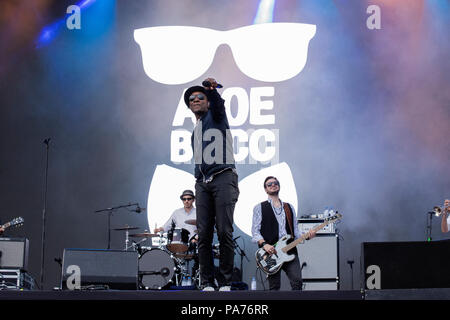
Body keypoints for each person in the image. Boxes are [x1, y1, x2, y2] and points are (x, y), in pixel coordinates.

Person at [184, 78, 239, 291]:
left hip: (223, 177)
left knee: (224, 230)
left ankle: (225, 281)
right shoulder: (194, 132)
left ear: (207, 103)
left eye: (200, 97)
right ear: (189, 106)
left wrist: (212, 91)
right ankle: (207, 281)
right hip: (202, 183)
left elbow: (219, 106)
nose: (196, 100)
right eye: (192, 99)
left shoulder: (215, 116)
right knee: (203, 234)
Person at [252, 176, 315, 290]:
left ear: (279, 186)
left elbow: (295, 232)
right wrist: (264, 244)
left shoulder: (289, 207)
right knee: (274, 287)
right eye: (269, 184)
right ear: (265, 189)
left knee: (297, 283)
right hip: (271, 253)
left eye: (275, 183)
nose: (273, 185)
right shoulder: (259, 207)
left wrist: (308, 236)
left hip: (290, 250)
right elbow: (255, 232)